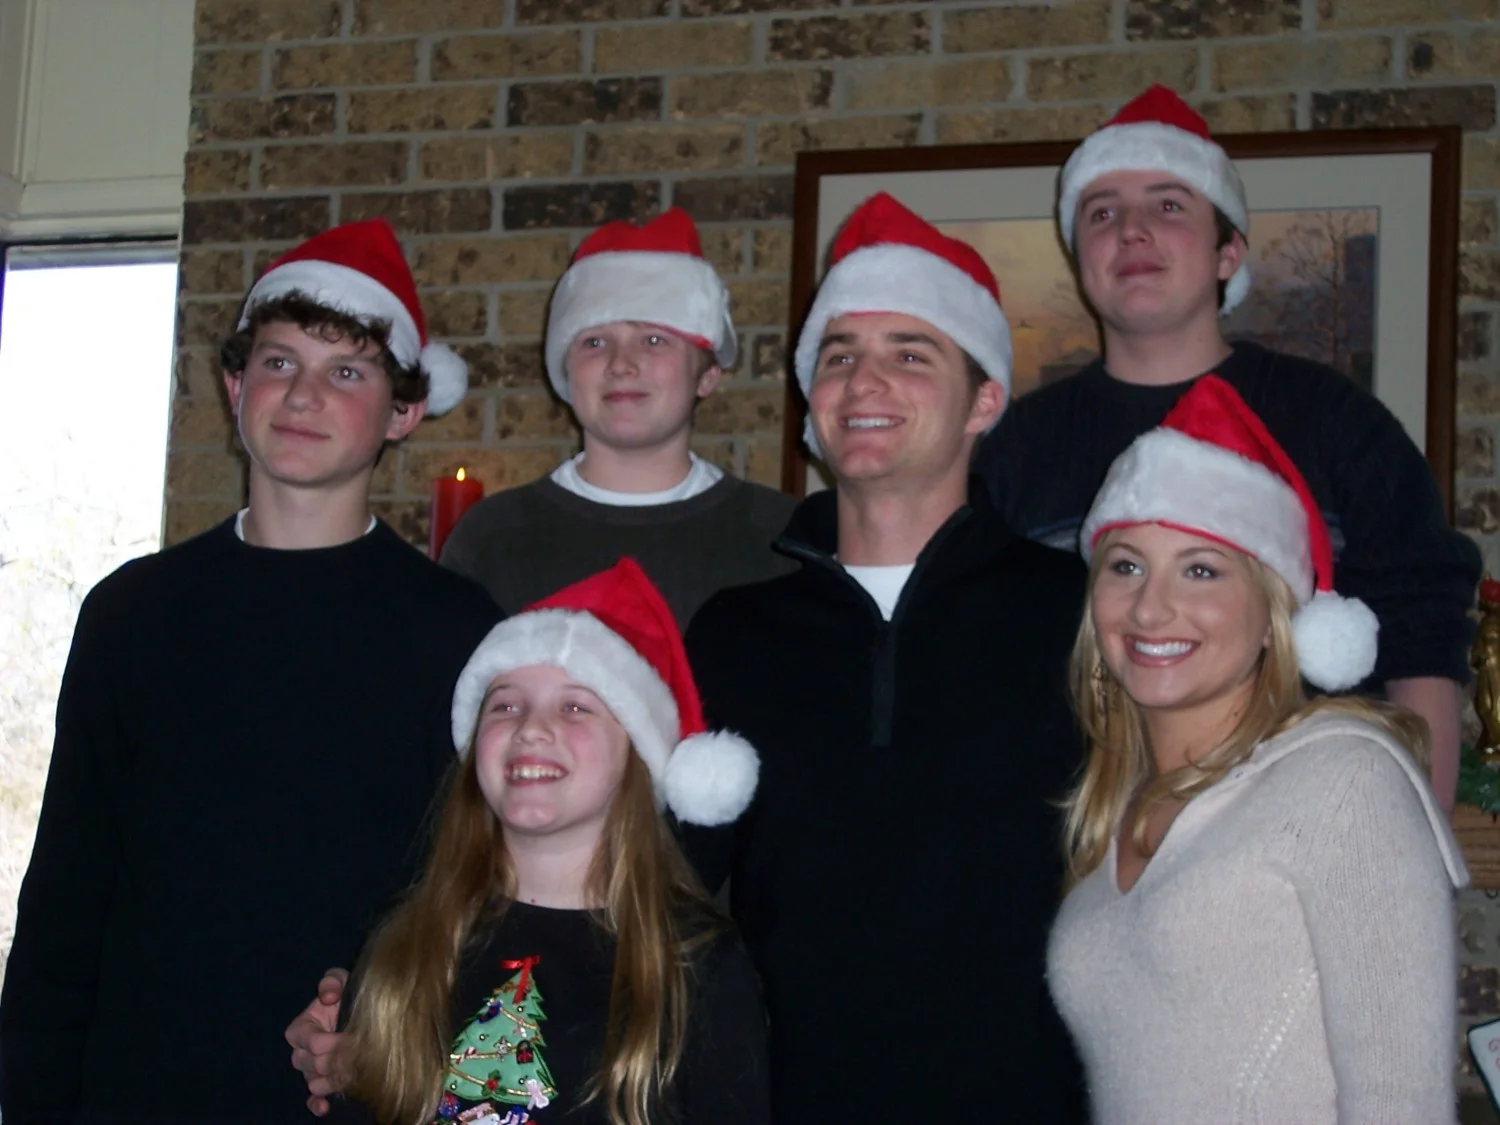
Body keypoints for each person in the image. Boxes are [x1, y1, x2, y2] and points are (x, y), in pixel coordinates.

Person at [0, 219, 503, 1123]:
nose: (303, 394)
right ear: (236, 386)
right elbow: (67, 899)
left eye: (345, 371)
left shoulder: (461, 631)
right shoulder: (131, 613)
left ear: (403, 410)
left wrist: (397, 1034)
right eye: (278, 362)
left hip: (351, 1096)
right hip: (141, 1091)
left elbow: (483, 897)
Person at [680, 193, 1089, 1122]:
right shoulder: (736, 630)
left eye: (910, 354)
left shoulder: (1078, 611)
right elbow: (659, 887)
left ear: (985, 399)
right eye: (838, 356)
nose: (864, 381)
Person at [975, 83, 1480, 809]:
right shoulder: (1016, 446)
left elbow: (1423, 635)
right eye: (1102, 213)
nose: (1132, 231)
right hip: (1073, 842)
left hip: (1307, 833)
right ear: (1079, 254)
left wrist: (1419, 835)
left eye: (1169, 206)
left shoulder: (1337, 420)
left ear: (1228, 252)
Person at [1046, 375, 1466, 1124]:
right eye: (1126, 565)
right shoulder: (1114, 806)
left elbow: (1403, 1104)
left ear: (1274, 613)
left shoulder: (1342, 780)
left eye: (1201, 569)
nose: (1150, 607)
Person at [319, 559, 769, 1125]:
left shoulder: (698, 968)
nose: (531, 728)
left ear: (637, 755)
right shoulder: (404, 947)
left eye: (575, 707)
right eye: (505, 705)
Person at [440, 207, 797, 626]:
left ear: (707, 375)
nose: (621, 364)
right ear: (566, 372)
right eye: (594, 342)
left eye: (654, 340)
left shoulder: (779, 536)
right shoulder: (493, 538)